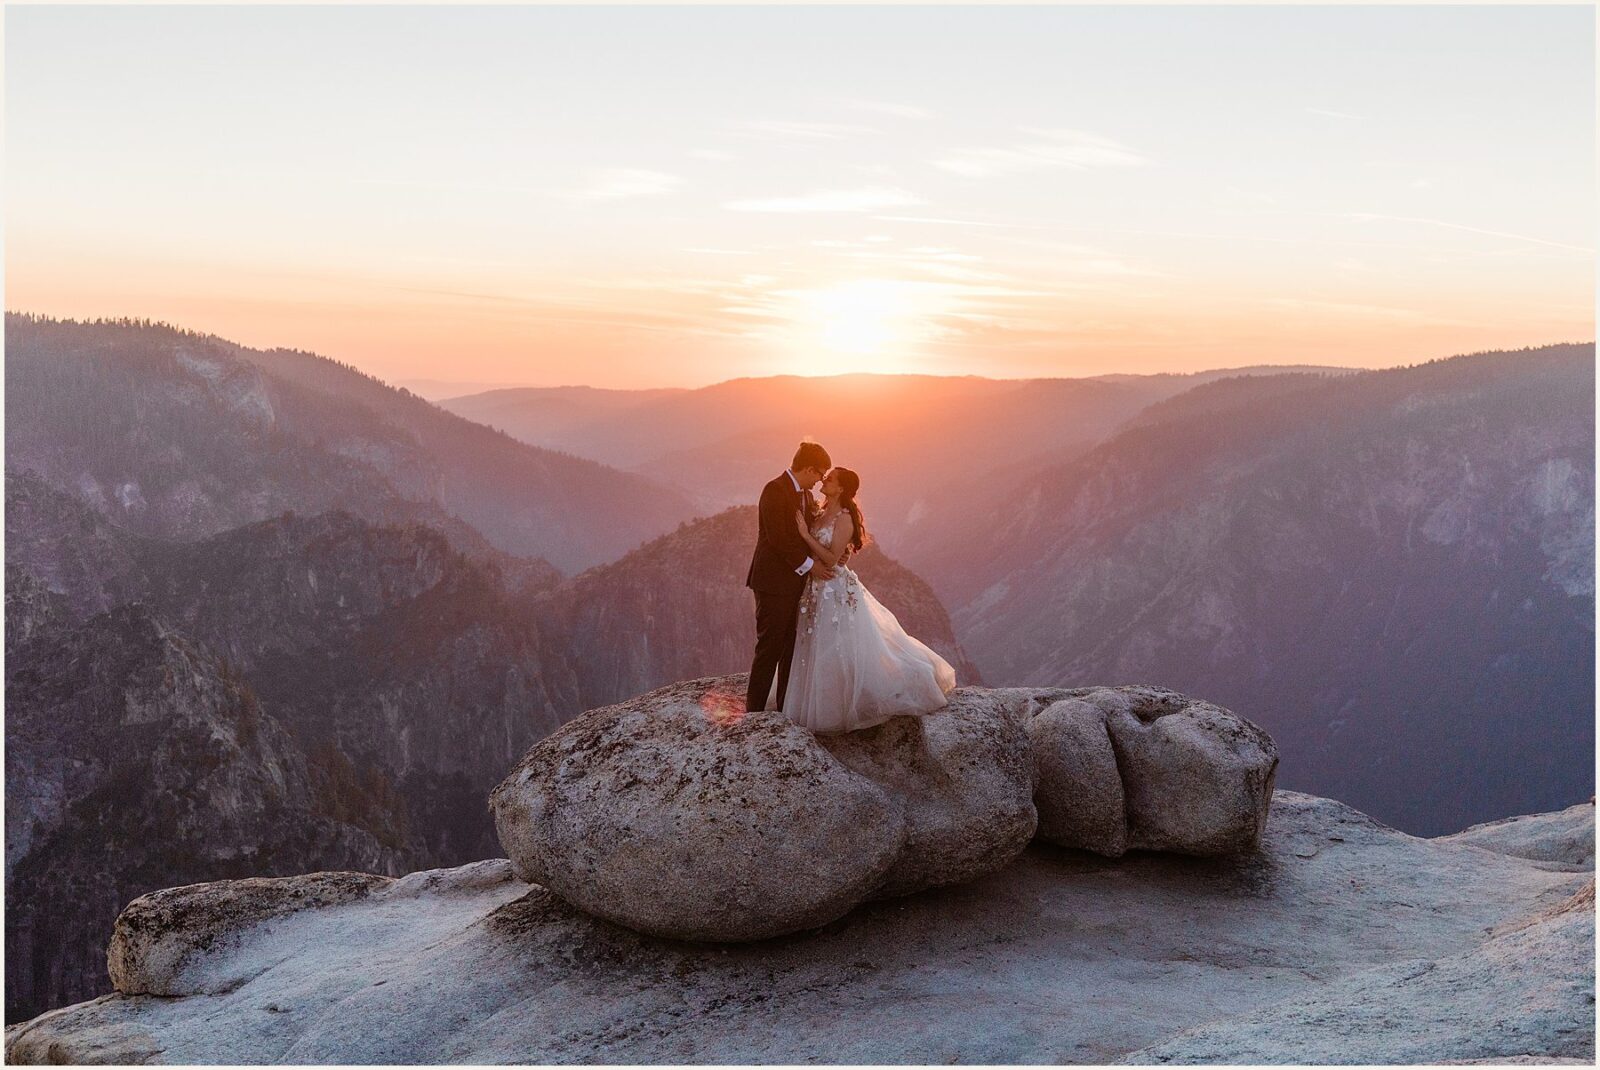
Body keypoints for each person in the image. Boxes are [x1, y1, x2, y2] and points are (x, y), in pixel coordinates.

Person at [781, 466, 956, 733]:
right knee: (815, 643)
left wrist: (806, 535)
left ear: (840, 488)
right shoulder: (819, 510)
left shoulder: (844, 518)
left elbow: (830, 559)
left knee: (837, 644)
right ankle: (815, 701)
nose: (823, 481)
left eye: (829, 479)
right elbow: (830, 553)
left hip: (833, 588)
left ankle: (838, 707)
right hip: (814, 588)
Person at [744, 441, 835, 713]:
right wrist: (812, 566)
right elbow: (778, 539)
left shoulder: (805, 495)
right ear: (808, 469)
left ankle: (784, 705)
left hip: (795, 583)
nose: (820, 480)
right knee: (770, 645)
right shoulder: (775, 490)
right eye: (820, 473)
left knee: (790, 647)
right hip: (772, 582)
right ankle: (754, 710)